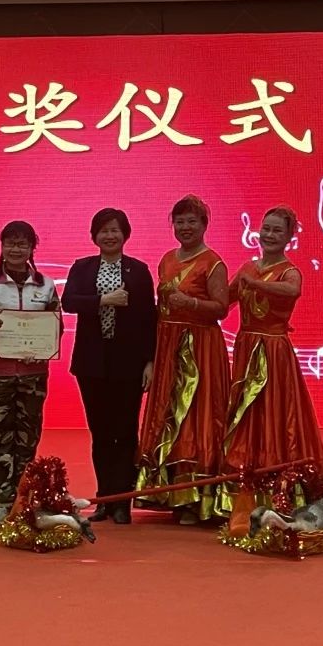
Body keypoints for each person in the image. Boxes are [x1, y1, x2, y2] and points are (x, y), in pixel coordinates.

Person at [135, 195, 230, 525]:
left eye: (192, 221)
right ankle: (167, 492)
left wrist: (189, 303)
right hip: (168, 346)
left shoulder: (213, 263)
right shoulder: (166, 260)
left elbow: (221, 308)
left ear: (204, 225)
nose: (185, 227)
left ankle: (195, 497)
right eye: (180, 221)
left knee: (195, 415)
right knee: (168, 411)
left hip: (201, 348)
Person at [221, 206, 323, 511]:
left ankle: (278, 487)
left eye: (277, 230)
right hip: (246, 348)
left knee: (276, 413)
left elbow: (292, 291)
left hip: (274, 351)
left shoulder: (289, 271)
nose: (269, 234)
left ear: (290, 236)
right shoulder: (248, 267)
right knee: (246, 413)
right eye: (266, 228)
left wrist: (255, 284)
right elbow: (223, 301)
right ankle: (242, 485)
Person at [0, 220, 62, 527]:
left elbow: (55, 326)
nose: (16, 249)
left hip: (33, 373)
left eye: (23, 244)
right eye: (11, 243)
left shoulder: (45, 284)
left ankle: (24, 499)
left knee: (27, 438)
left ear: (32, 248)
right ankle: (1, 501)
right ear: (2, 246)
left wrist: (43, 348)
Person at [62, 208, 157, 525]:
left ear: (125, 234)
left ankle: (123, 502)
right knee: (101, 432)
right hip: (91, 363)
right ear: (94, 236)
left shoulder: (139, 271)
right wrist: (103, 300)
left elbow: (149, 318)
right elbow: (69, 301)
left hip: (129, 363)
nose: (110, 235)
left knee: (125, 432)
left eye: (115, 230)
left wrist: (150, 361)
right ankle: (104, 498)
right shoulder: (83, 267)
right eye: (104, 230)